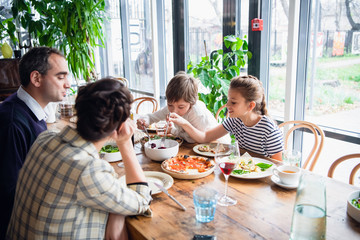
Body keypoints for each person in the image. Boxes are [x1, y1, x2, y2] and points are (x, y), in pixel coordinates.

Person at [6, 78, 152, 239]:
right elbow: (141, 200)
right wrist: (125, 143)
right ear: (118, 126)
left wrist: (116, 212)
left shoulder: (46, 138)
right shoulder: (88, 169)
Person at [0, 46, 70, 239]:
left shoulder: (29, 110)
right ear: (36, 78)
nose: (68, 84)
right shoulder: (13, 123)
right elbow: (10, 193)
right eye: (60, 77)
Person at [170, 75, 284, 160]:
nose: (227, 105)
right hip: (242, 174)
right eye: (228, 100)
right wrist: (184, 123)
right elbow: (205, 137)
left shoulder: (268, 129)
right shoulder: (234, 121)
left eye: (233, 102)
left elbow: (278, 166)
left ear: (250, 105)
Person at [136, 71, 230, 143]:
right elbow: (152, 117)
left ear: (191, 103)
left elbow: (196, 139)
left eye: (181, 107)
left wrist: (174, 129)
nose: (174, 111)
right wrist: (144, 120)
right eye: (170, 105)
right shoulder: (173, 107)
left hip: (219, 146)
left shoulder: (197, 112)